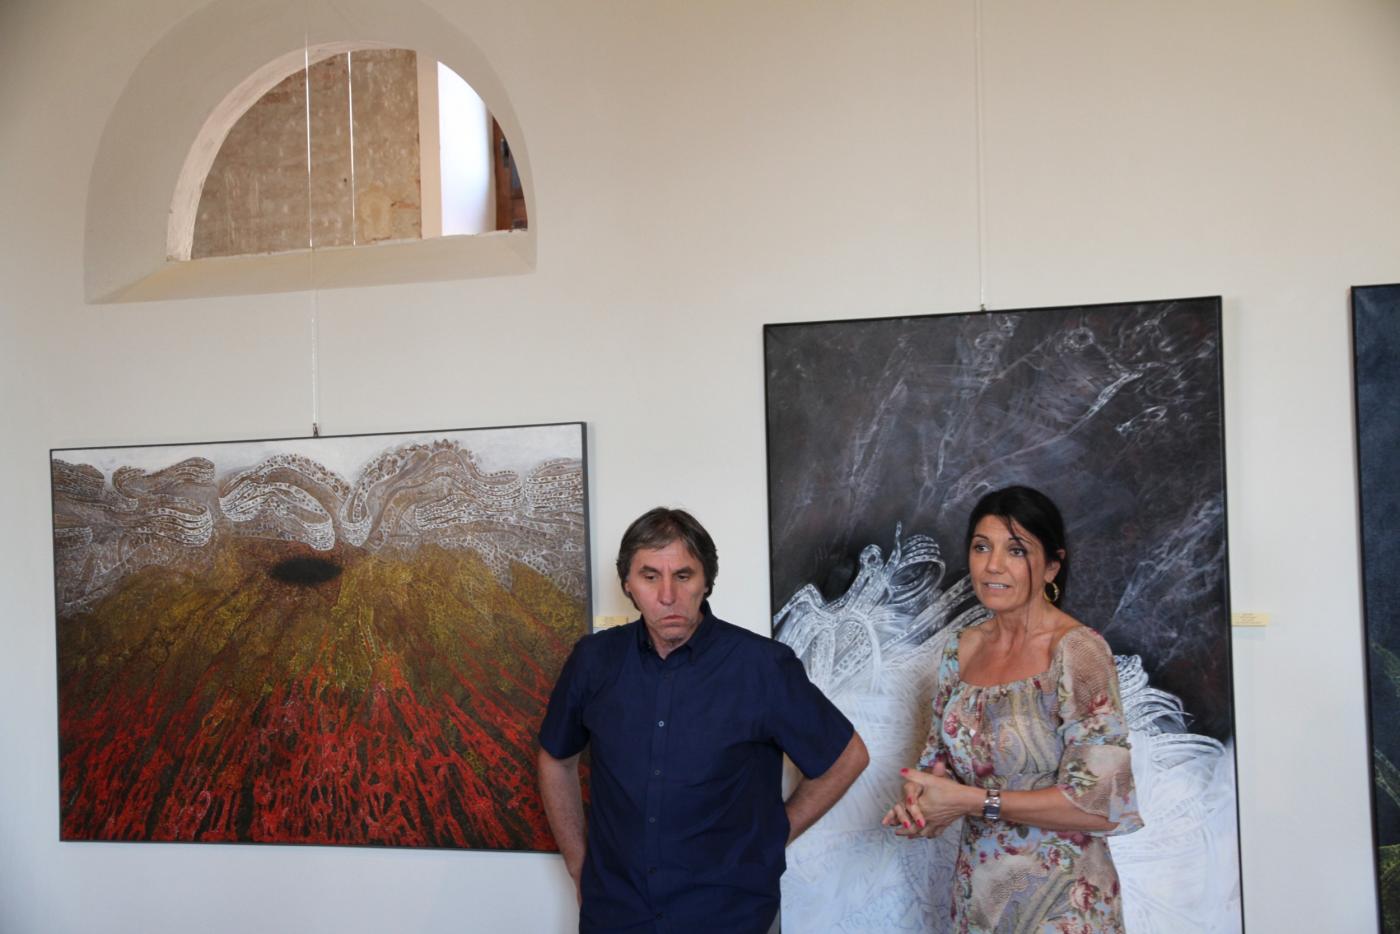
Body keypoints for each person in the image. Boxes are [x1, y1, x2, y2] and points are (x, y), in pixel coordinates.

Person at [538, 507, 870, 933]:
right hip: (616, 914)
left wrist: (773, 835)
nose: (668, 595)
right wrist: (577, 863)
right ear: (627, 584)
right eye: (650, 576)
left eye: (683, 575)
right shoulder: (593, 660)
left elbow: (847, 757)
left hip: (727, 915)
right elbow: (556, 759)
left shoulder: (762, 667)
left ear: (706, 581)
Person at [883, 486, 1142, 933]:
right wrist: (920, 804)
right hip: (979, 900)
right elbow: (938, 763)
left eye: (1016, 550)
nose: (993, 565)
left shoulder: (1077, 651)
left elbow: (1100, 805)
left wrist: (973, 801)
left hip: (1065, 904)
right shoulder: (960, 650)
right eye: (982, 547)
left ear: (1052, 566)